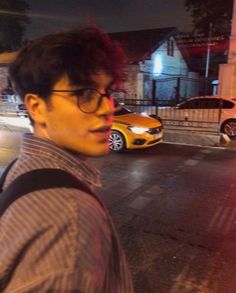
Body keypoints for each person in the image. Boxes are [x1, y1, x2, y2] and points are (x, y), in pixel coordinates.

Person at [0, 27, 134, 292]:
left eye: (107, 93)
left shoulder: (17, 170)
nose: (108, 109)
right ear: (37, 107)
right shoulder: (71, 218)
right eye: (85, 94)